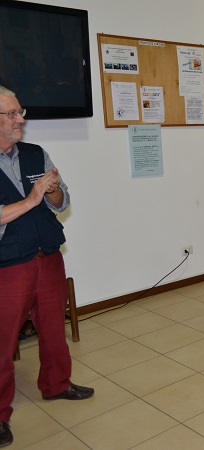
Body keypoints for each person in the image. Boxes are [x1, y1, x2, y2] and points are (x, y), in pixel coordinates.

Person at [0, 86, 94, 448]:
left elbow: (61, 200)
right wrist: (32, 198)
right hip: (9, 265)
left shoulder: (36, 153)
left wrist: (53, 190)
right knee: (3, 341)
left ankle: (57, 384)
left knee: (54, 328)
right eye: (11, 114)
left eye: (19, 112)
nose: (20, 120)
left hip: (48, 256)